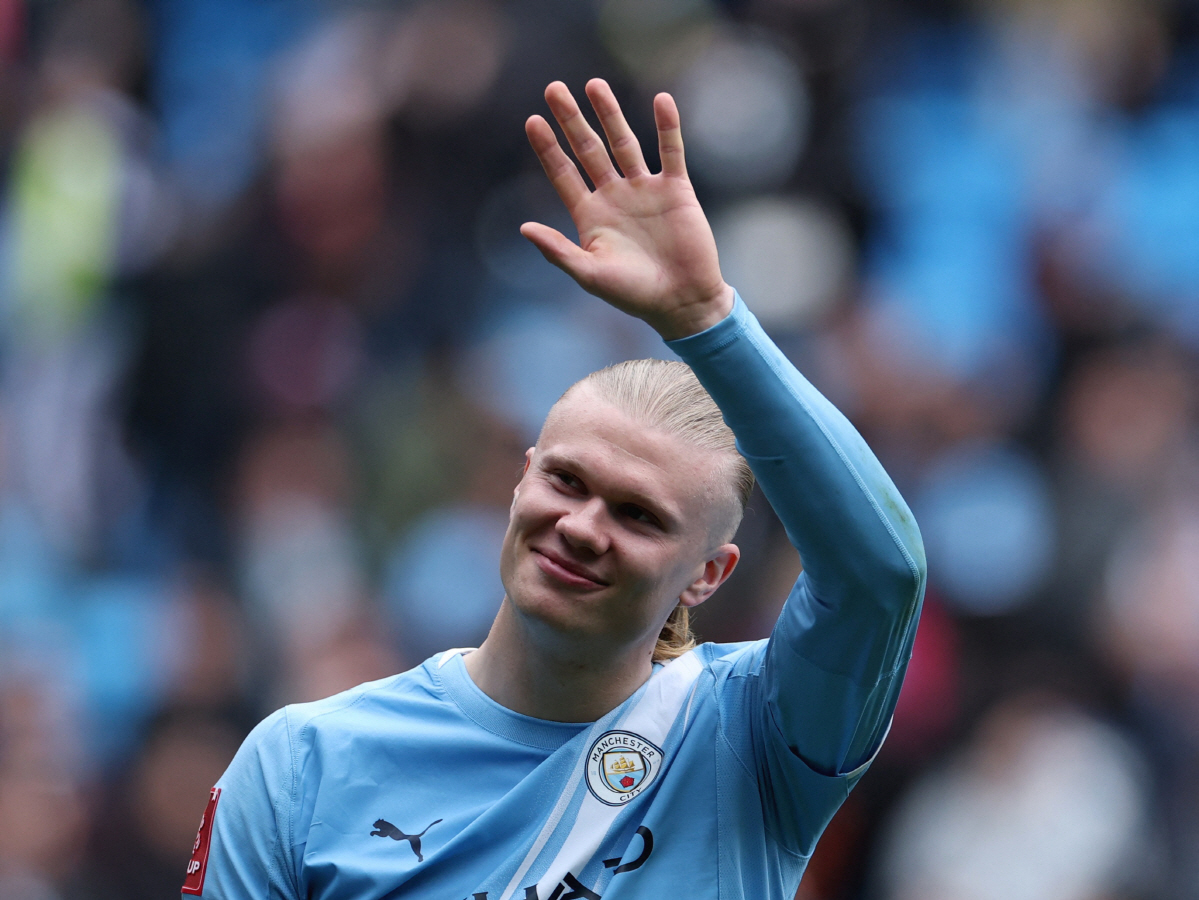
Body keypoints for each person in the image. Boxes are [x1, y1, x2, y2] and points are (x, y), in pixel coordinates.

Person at [181, 79, 926, 900]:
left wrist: (708, 319)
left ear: (709, 573)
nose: (581, 526)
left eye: (639, 515)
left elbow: (879, 575)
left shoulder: (751, 738)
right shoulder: (303, 763)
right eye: (565, 480)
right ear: (519, 477)